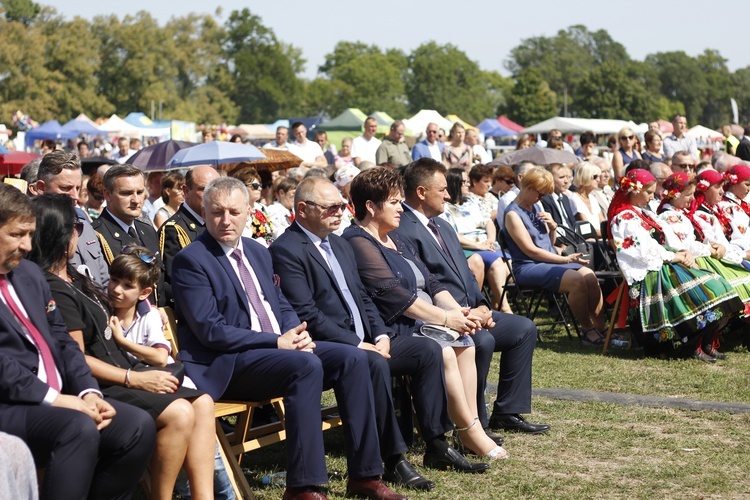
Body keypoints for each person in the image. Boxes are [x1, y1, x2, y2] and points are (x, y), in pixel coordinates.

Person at [172, 176, 405, 500]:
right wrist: (277, 342)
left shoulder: (257, 251)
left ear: (249, 211)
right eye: (217, 212)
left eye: (234, 212)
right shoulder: (191, 260)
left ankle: (366, 475)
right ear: (205, 212)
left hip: (279, 351)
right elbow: (211, 330)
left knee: (354, 358)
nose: (226, 220)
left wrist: (298, 334)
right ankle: (301, 487)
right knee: (305, 366)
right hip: (229, 363)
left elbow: (279, 303)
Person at [270, 178, 489, 488]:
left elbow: (362, 297)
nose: (340, 212)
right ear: (302, 210)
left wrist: (381, 334)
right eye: (331, 207)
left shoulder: (339, 244)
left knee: (427, 351)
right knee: (370, 363)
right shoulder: (287, 249)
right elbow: (308, 314)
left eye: (341, 205)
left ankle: (437, 445)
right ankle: (393, 460)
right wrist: (358, 343)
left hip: (369, 340)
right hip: (329, 346)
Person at [28, 194, 215, 500]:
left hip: (122, 368)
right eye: (76, 225)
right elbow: (74, 358)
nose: (81, 230)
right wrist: (136, 378)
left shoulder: (73, 275)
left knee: (203, 403)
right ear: (61, 235)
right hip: (101, 383)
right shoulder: (54, 287)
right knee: (180, 412)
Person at [0, 185, 155, 500]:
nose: (28, 246)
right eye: (17, 235)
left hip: (57, 398)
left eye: (31, 235)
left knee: (137, 426)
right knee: (77, 427)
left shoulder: (28, 275)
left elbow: (64, 342)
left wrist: (88, 391)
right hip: (12, 404)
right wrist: (57, 400)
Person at [343, 168, 509, 461]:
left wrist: (460, 313)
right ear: (370, 206)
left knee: (466, 342)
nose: (400, 208)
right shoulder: (358, 240)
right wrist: (447, 319)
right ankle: (469, 431)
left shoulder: (396, 237)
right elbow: (396, 296)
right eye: (394, 202)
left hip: (425, 318)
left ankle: (471, 426)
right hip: (393, 325)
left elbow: (432, 282)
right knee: (444, 349)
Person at [396, 158, 548, 436]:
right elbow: (421, 285)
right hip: (441, 319)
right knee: (482, 339)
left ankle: (508, 410)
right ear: (420, 192)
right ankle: (474, 422)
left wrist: (481, 305)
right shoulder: (402, 229)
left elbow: (465, 274)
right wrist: (463, 314)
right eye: (442, 189)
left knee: (523, 328)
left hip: (470, 311)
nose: (449, 195)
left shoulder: (442, 225)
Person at [607, 169, 741, 358]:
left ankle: (707, 343)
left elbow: (667, 239)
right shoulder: (623, 218)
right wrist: (674, 257)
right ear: (634, 191)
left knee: (718, 283)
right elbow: (641, 251)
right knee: (704, 290)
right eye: (648, 192)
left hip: (665, 261)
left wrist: (682, 252)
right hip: (650, 272)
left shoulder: (644, 212)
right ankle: (691, 346)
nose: (652, 197)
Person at [503, 167, 607, 346]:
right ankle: (587, 329)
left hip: (548, 260)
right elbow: (531, 251)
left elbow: (548, 244)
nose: (542, 198)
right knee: (576, 279)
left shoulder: (535, 205)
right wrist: (566, 259)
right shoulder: (513, 214)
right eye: (541, 194)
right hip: (528, 266)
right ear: (528, 188)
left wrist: (552, 227)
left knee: (589, 276)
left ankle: (602, 327)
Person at [92, 164, 167, 306]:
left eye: (140, 192)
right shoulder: (96, 235)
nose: (136, 200)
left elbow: (159, 283)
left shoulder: (147, 230)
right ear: (107, 194)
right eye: (126, 193)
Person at [33, 151, 109, 289]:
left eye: (78, 188)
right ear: (41, 188)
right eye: (66, 188)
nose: (75, 196)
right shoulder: (29, 232)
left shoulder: (85, 226)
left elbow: (105, 282)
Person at [443, 168, 512, 313]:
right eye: (465, 182)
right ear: (454, 183)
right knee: (498, 264)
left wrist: (491, 240)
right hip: (467, 246)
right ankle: (502, 307)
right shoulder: (445, 207)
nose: (468, 185)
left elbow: (488, 222)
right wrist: (479, 246)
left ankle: (495, 304)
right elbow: (452, 234)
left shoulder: (473, 201)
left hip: (486, 245)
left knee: (510, 264)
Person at [158, 165, 220, 303]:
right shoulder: (174, 230)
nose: (212, 194)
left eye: (216, 187)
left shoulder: (216, 223)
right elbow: (174, 283)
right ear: (186, 191)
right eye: (204, 189)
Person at [231, 168, 275, 246]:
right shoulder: (237, 211)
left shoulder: (262, 208)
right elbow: (244, 238)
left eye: (260, 185)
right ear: (242, 187)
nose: (260, 188)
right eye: (255, 186)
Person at [570, 162, 606, 237]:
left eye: (599, 176)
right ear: (584, 177)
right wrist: (608, 235)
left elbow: (603, 222)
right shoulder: (574, 199)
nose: (598, 180)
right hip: (589, 241)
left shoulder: (593, 198)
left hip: (601, 238)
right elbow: (587, 229)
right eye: (595, 177)